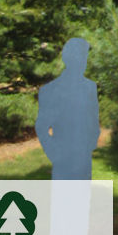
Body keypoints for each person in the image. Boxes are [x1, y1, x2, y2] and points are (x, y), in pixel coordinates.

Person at [36, 37, 100, 180]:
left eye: (84, 57)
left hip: (84, 159)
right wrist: (54, 153)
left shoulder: (90, 87)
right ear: (67, 58)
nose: (83, 61)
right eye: (79, 56)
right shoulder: (50, 90)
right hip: (62, 159)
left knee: (83, 200)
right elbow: (41, 126)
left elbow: (93, 119)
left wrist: (90, 144)